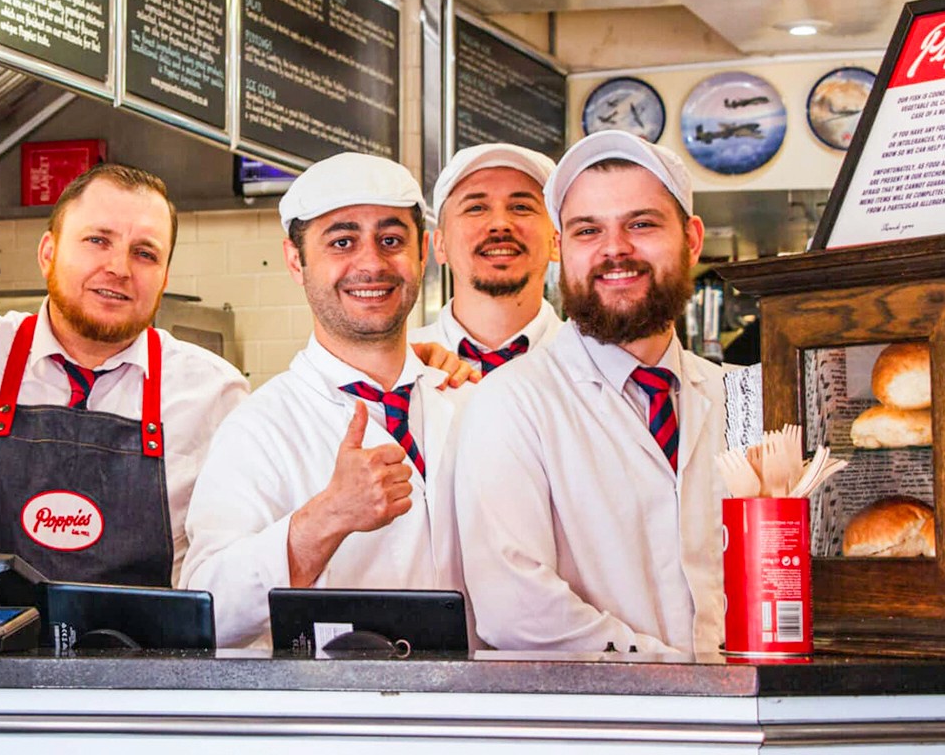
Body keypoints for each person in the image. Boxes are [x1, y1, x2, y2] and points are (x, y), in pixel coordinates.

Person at [0, 163, 251, 586]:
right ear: (47, 252)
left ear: (164, 277)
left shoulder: (216, 394)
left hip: (147, 652)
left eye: (145, 253)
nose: (119, 268)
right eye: (97, 240)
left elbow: (232, 575)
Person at [454, 130, 727, 654]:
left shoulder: (736, 395)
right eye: (587, 231)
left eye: (641, 224)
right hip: (599, 726)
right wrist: (678, 679)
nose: (615, 250)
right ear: (560, 248)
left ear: (692, 239)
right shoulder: (512, 403)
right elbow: (514, 607)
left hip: (745, 719)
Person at [181, 153, 467, 647]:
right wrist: (329, 516)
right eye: (342, 241)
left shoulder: (468, 403)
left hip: (480, 715)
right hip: (337, 718)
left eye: (392, 240)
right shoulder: (259, 428)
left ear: (423, 252)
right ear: (297, 261)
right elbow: (208, 614)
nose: (372, 263)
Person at [410, 143, 560, 375]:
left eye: (521, 207)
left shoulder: (597, 364)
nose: (500, 224)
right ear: (440, 246)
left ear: (556, 241)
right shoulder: (402, 365)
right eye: (476, 208)